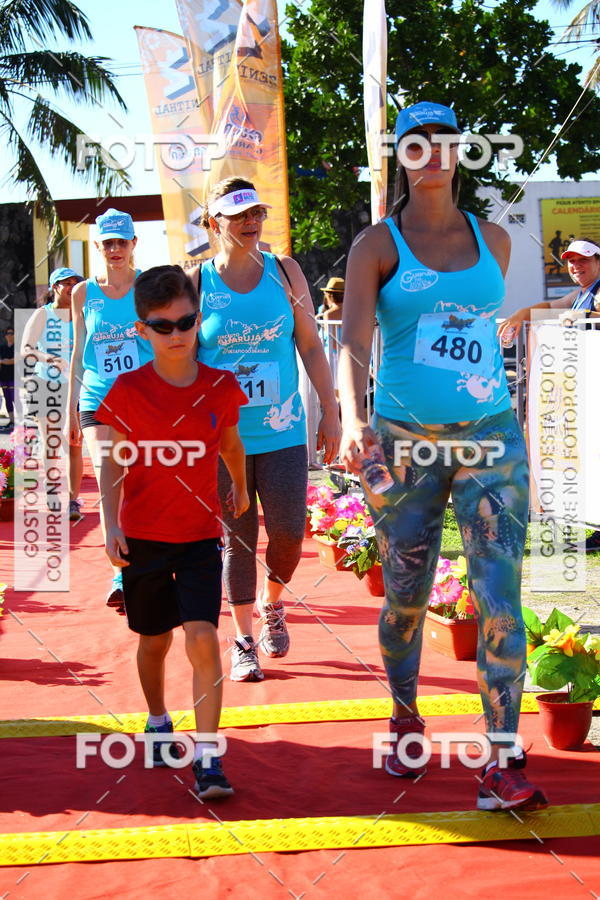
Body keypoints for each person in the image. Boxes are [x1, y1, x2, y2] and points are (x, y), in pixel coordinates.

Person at [339, 100, 547, 812]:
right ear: (400, 157)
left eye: (443, 141)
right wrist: (351, 418)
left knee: (500, 595)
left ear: (460, 152)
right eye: (415, 143)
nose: (431, 152)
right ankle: (404, 713)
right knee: (405, 594)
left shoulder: (495, 238)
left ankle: (499, 757)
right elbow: (354, 345)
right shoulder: (377, 244)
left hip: (490, 435)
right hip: (404, 442)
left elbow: (481, 331)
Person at [97, 265, 249, 799]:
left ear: (198, 320)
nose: (177, 334)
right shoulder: (128, 390)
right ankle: (158, 719)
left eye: (186, 322)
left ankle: (209, 759)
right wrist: (110, 521)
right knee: (154, 641)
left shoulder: (220, 386)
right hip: (143, 538)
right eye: (163, 327)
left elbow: (231, 445)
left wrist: (241, 485)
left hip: (201, 536)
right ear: (142, 330)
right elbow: (113, 462)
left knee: (204, 636)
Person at [195, 177, 340, 682]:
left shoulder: (285, 271)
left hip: (282, 431)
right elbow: (183, 359)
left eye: (256, 212)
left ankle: (272, 602)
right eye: (239, 215)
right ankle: (242, 640)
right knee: (237, 539)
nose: (252, 222)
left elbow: (312, 346)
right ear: (214, 224)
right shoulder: (197, 282)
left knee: (288, 533)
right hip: (223, 439)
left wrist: (331, 407)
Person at [69, 209, 153, 609]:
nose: (115, 250)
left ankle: (149, 559)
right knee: (109, 478)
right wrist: (70, 407)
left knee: (143, 479)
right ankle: (119, 572)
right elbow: (76, 352)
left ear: (134, 243)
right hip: (97, 397)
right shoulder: (82, 293)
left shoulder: (149, 288)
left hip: (142, 399)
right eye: (108, 243)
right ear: (97, 247)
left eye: (122, 241)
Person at [499, 237, 600, 552]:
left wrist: (575, 319)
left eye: (583, 260)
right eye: (571, 261)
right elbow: (548, 308)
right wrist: (520, 315)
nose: (575, 266)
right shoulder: (580, 294)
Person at [21, 268, 84, 519]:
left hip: (78, 386)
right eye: (65, 283)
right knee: (52, 444)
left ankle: (73, 500)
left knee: (75, 445)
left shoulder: (83, 313)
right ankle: (52, 491)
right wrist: (49, 358)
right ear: (54, 287)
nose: (71, 287)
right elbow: (26, 348)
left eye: (75, 283)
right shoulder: (43, 314)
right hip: (47, 384)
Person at [0, 326, 14, 432]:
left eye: (12, 333)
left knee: (14, 398)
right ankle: (12, 421)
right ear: (5, 336)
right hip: (4, 377)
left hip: (14, 377)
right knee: (7, 399)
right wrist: (5, 361)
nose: (10, 335)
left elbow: (14, 360)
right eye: (8, 333)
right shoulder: (2, 347)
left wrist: (3, 361)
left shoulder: (16, 347)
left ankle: (19, 421)